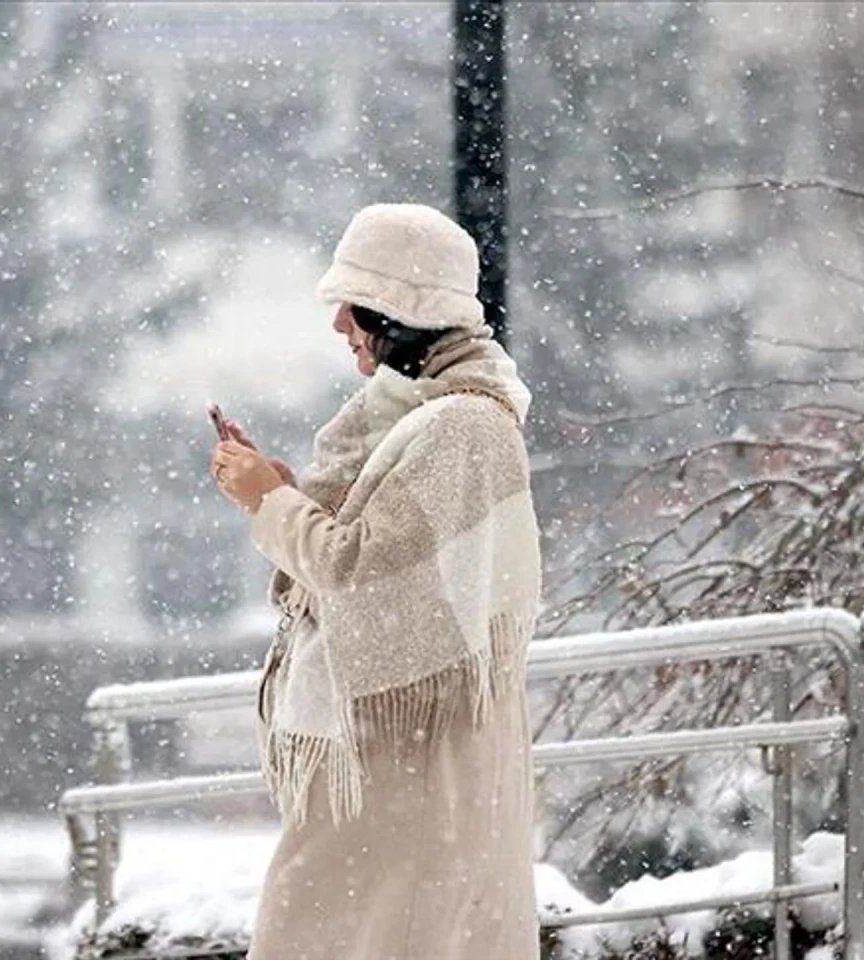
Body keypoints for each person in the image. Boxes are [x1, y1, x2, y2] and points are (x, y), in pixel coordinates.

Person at [211, 203, 542, 960]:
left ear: (400, 312)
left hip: (410, 771)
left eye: (353, 306)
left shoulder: (459, 427)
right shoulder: (418, 417)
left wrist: (270, 500)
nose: (340, 327)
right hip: (396, 764)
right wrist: (283, 493)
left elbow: (360, 573)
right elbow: (377, 557)